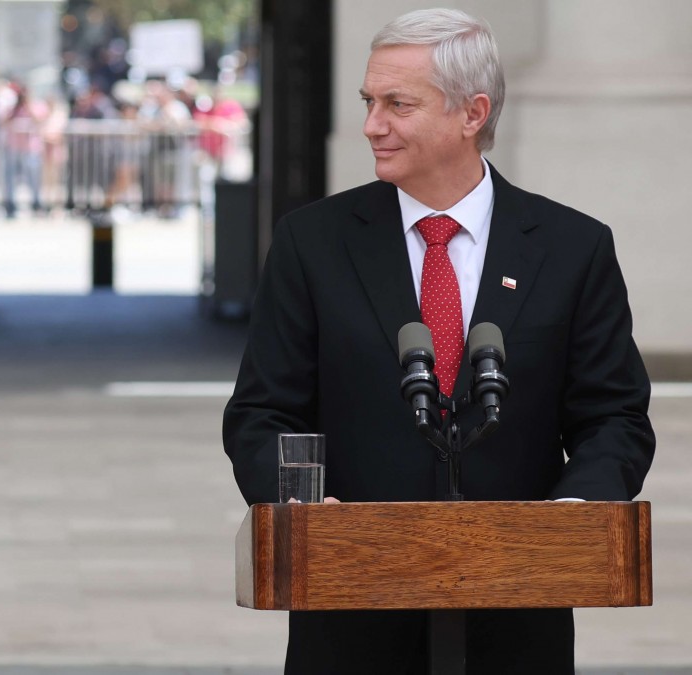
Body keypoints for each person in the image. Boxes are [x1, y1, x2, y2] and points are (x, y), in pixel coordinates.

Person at [223, 9, 654, 674]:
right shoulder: (312, 242)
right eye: (369, 101)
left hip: (515, 618)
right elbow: (261, 413)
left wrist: (572, 515)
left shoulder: (573, 248)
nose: (372, 124)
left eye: (398, 104)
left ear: (471, 112)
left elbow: (614, 416)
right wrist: (306, 509)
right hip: (352, 612)